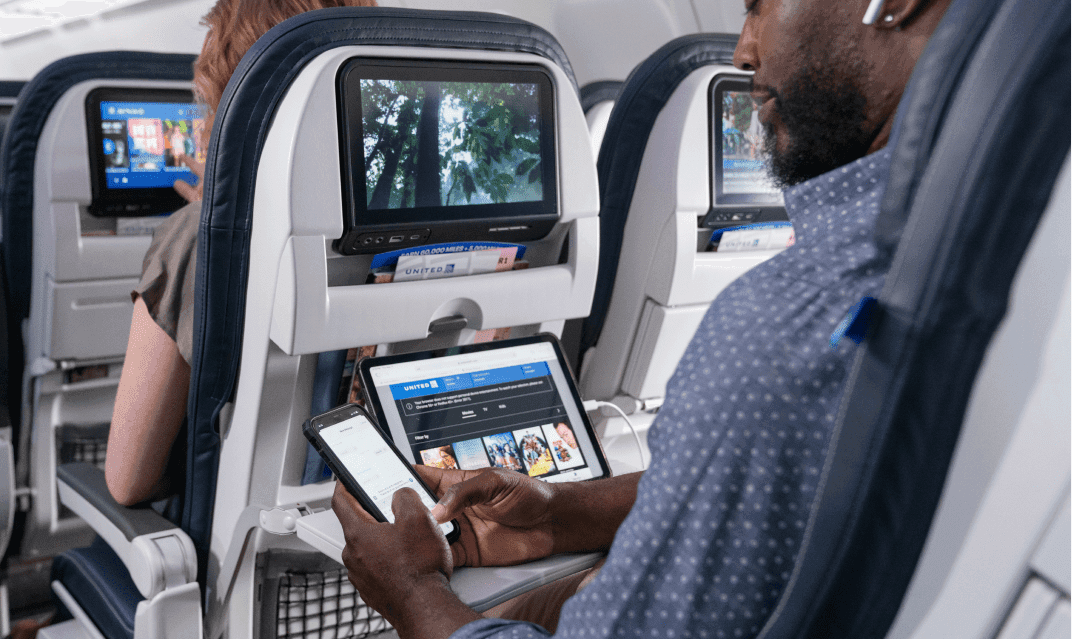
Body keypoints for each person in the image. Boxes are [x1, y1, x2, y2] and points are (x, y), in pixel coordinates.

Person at [330, 1, 956, 638]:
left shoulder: (790, 326)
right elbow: (792, 492)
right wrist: (558, 515)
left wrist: (411, 594)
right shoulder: (964, 258)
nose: (743, 50)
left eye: (762, 4)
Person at [104, 0, 378, 506]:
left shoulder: (194, 238)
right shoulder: (403, 224)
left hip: (236, 558)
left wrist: (211, 220)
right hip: (390, 535)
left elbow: (129, 480)